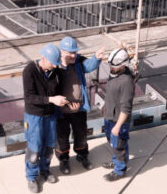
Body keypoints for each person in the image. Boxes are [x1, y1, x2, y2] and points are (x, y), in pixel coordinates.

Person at [55, 36, 107, 175]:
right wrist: (64, 65)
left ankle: (82, 155)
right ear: (62, 52)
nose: (73, 55)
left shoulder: (78, 61)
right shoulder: (55, 65)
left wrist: (96, 57)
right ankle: (63, 159)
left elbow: (89, 66)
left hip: (79, 108)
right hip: (62, 111)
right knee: (62, 138)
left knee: (81, 134)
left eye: (75, 52)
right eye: (70, 53)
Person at [22, 43, 68, 193]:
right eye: (52, 63)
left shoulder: (56, 72)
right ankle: (31, 176)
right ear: (43, 58)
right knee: (34, 150)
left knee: (48, 147)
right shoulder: (29, 71)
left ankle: (45, 170)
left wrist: (63, 102)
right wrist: (51, 100)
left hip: (51, 115)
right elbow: (29, 97)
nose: (54, 67)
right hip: (34, 116)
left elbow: (58, 91)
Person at [101, 47, 136, 181]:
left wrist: (117, 126)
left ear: (123, 66)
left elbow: (126, 107)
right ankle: (119, 161)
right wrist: (106, 105)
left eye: (113, 66)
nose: (111, 68)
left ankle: (120, 170)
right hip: (109, 115)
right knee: (114, 143)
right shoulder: (114, 73)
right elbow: (111, 92)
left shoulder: (126, 82)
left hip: (118, 120)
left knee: (118, 145)